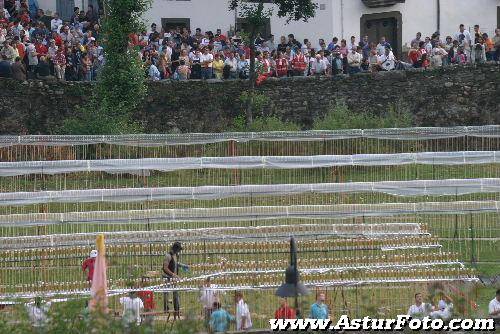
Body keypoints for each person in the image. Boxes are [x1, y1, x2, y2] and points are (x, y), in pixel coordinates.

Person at [162, 241, 188, 316]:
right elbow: (165, 268)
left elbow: (175, 263)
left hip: (173, 277)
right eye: (179, 249)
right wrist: (173, 275)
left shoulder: (176, 255)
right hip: (166, 277)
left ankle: (177, 310)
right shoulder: (168, 256)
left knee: (176, 293)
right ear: (175, 249)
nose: (179, 251)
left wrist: (182, 265)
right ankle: (166, 310)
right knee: (166, 293)